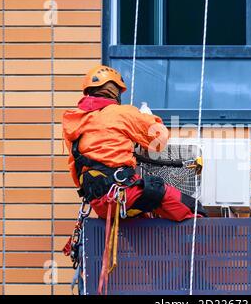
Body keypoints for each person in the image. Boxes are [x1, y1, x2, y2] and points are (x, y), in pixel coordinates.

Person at [62, 65, 208, 222]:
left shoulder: (73, 124)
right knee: (191, 208)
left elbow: (78, 169)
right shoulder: (121, 113)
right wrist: (146, 118)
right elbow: (159, 140)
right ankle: (202, 244)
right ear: (115, 91)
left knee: (143, 226)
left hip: (99, 202)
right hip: (123, 192)